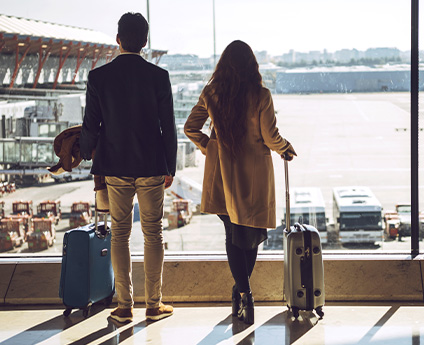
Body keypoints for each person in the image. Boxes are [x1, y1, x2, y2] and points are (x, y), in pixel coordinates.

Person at [184, 40, 296, 325]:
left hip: (221, 174)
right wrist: (285, 148)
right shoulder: (261, 95)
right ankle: (243, 291)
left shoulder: (212, 93)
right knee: (251, 234)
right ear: (252, 65)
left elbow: (190, 127)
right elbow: (270, 137)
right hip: (253, 175)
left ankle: (242, 293)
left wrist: (209, 146)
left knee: (231, 233)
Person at [80, 12, 177, 323]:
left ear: (118, 39)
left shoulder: (99, 77)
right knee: (153, 233)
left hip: (115, 166)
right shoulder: (159, 77)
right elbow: (169, 127)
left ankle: (124, 307)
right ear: (145, 43)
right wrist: (170, 166)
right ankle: (154, 304)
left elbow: (91, 124)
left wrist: (83, 151)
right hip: (151, 165)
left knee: (119, 234)